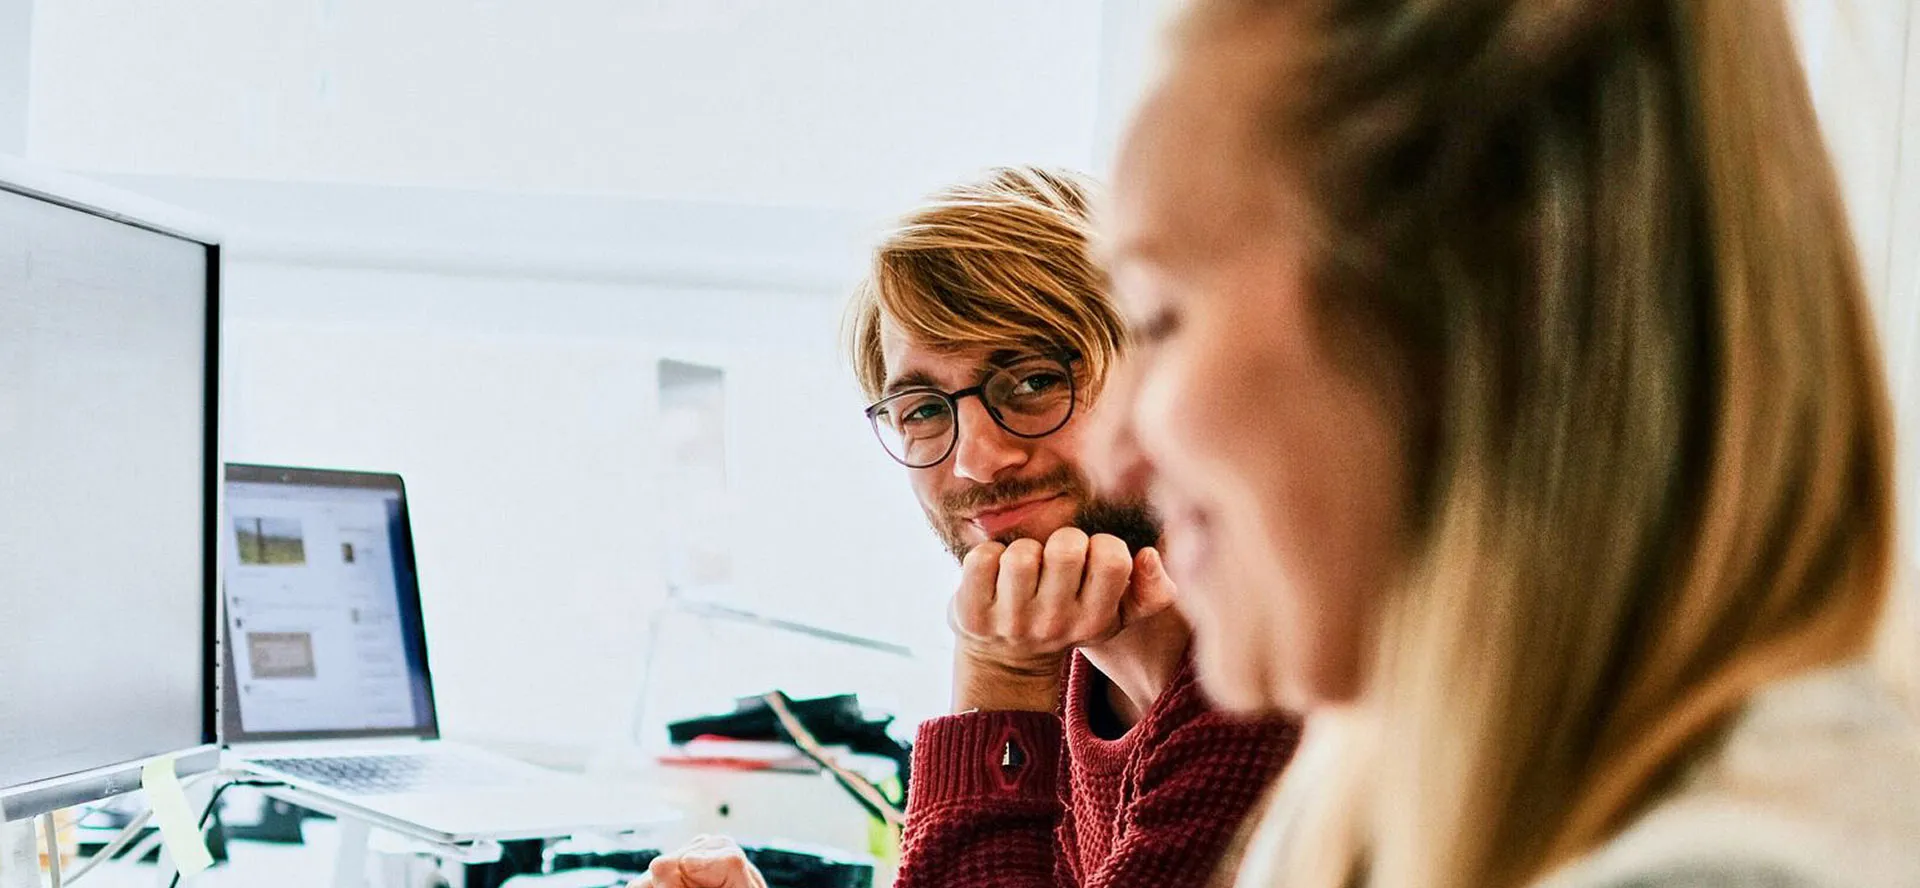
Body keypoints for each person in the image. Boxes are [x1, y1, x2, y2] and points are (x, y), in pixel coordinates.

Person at [1091, 0, 1920, 887]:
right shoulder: (1371, 785)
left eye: (1162, 318)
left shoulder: (1726, 868)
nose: (1111, 453)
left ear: (1461, 321)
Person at [634, 167, 1300, 888]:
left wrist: (999, 682)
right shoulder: (1070, 667)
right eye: (923, 410)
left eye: (1035, 381)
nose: (976, 460)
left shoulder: (1262, 695)